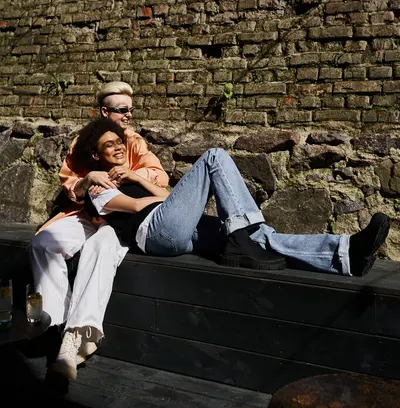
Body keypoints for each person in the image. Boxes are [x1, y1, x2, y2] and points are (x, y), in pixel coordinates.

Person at [62, 118, 390, 377]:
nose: (118, 148)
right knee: (215, 157)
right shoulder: (99, 187)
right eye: (109, 145)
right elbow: (137, 209)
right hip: (155, 233)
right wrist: (141, 190)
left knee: (262, 237)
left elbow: (167, 198)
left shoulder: (130, 175)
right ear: (97, 155)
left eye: (120, 142)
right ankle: (242, 237)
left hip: (177, 225)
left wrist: (138, 177)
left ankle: (346, 253)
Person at [28, 82, 169, 380]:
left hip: (117, 219)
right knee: (43, 243)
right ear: (105, 111)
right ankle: (53, 323)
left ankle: (75, 339)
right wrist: (88, 177)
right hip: (82, 213)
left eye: (131, 110)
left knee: (100, 247)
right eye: (122, 110)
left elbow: (159, 174)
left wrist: (130, 173)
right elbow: (68, 185)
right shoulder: (83, 142)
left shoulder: (134, 141)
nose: (128, 115)